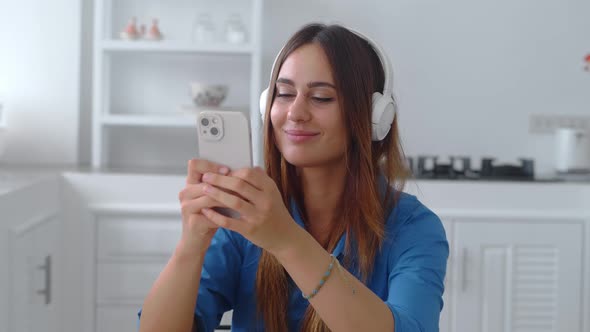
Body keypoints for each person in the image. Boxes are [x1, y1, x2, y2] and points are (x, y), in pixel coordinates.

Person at [138, 23, 448, 332]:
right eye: (284, 93)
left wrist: (286, 239)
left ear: (373, 117)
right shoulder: (243, 218)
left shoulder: (414, 228)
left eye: (322, 98)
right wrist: (191, 245)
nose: (295, 113)